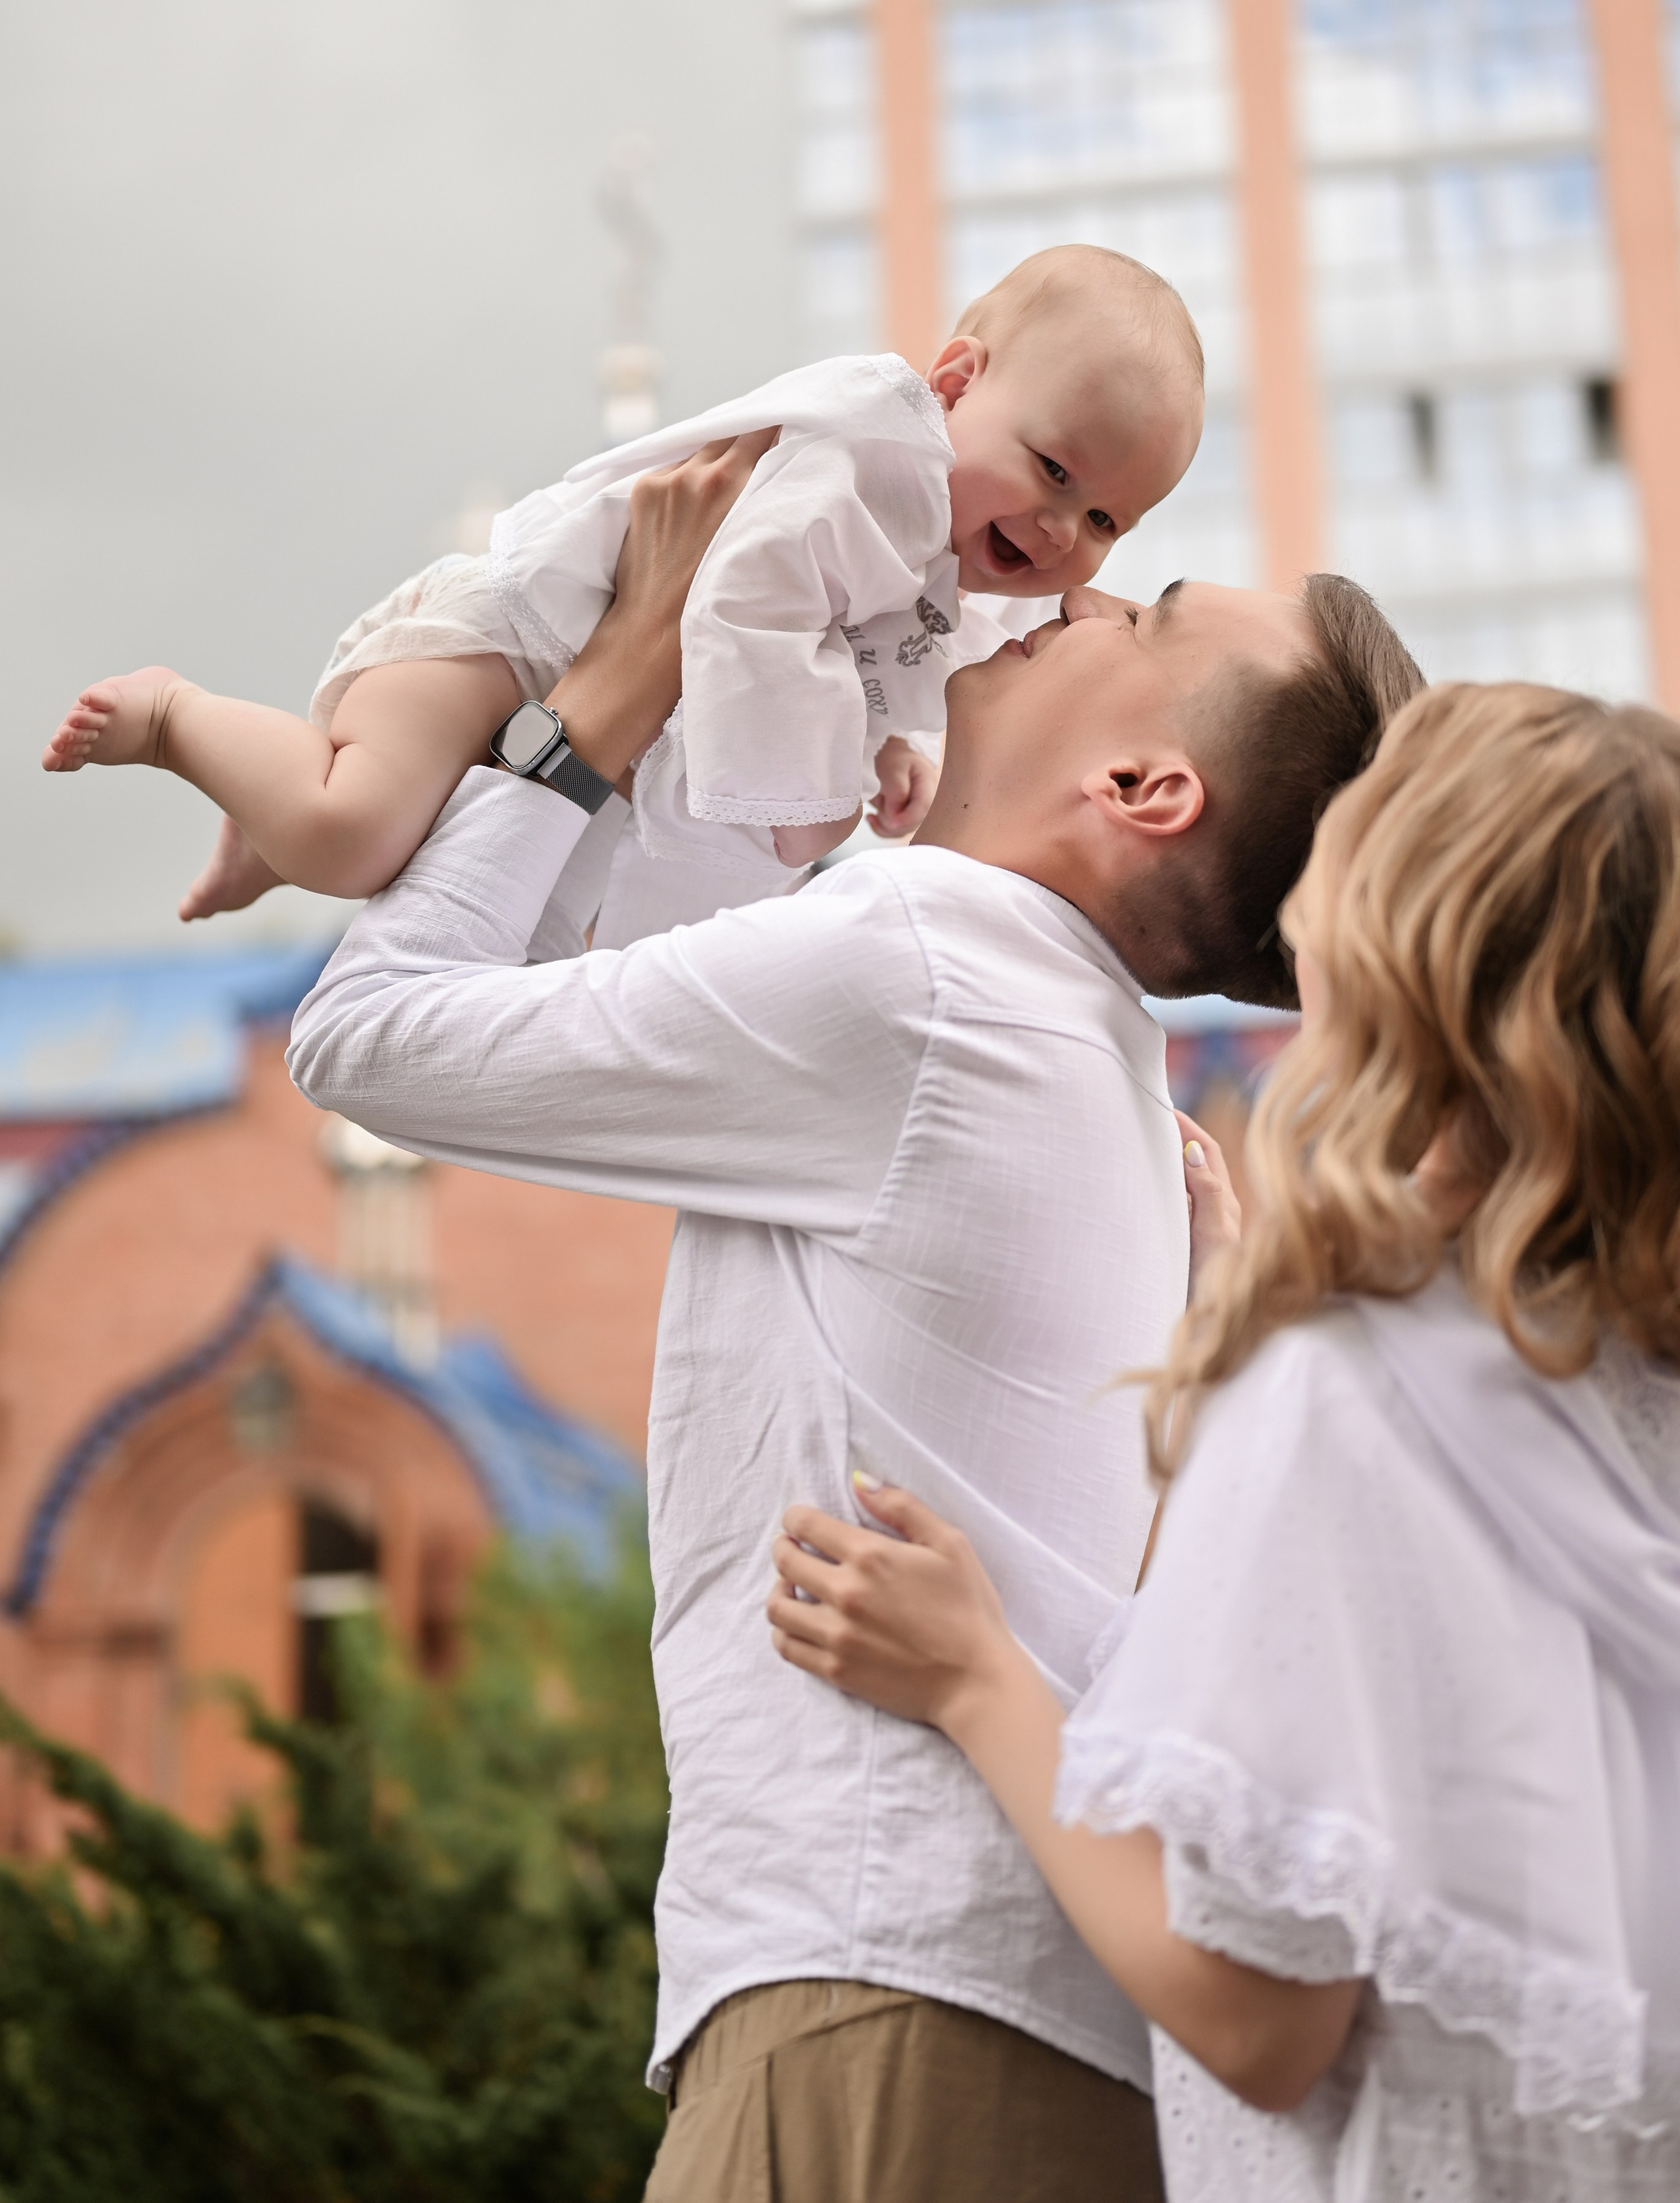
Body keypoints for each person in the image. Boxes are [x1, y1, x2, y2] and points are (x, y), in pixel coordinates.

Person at [285, 432, 1421, 2202]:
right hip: (1014, 2005)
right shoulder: (1084, 1065)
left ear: (1145, 784)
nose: (1082, 591)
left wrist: (599, 697)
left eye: (1154, 606)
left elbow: (367, 1039)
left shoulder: (921, 972)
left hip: (883, 2001)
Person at [768, 677, 1680, 2202]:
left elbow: (1263, 2017)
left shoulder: (1341, 1391)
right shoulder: (1624, 1377)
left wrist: (977, 1676)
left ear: (1394, 939)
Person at [41, 244, 1204, 947]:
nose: (1062, 531)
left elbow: (883, 673)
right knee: (355, 839)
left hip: (576, 723)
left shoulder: (957, 569)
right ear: (957, 382)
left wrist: (895, 746)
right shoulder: (868, 471)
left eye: (1105, 521)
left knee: (445, 881)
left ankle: (268, 822)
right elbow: (750, 605)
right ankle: (173, 717)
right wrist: (810, 793)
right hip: (511, 652)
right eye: (1054, 470)